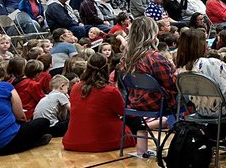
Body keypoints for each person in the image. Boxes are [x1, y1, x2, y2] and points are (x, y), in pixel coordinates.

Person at [118, 16, 177, 158]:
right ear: (152, 33)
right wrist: (175, 71)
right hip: (158, 103)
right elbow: (171, 85)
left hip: (134, 101)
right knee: (190, 99)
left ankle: (142, 149)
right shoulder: (155, 57)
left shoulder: (125, 58)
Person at [63, 55, 125, 152]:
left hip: (72, 140)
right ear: (106, 68)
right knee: (134, 122)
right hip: (101, 141)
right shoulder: (110, 90)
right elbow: (123, 112)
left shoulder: (75, 88)